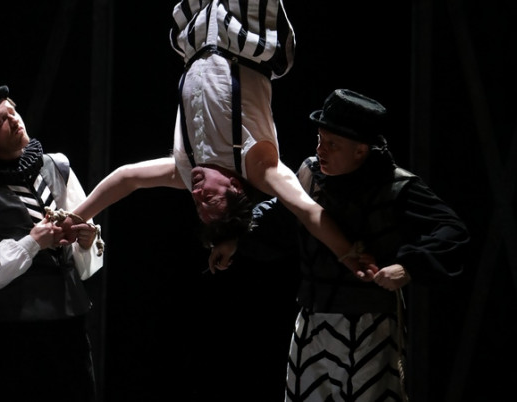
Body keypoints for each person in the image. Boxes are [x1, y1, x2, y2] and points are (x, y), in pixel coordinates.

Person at [73, 0, 366, 275]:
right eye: (209, 198)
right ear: (236, 188)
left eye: (197, 204)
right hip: (243, 30)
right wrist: (346, 252)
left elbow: (127, 178)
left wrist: (76, 217)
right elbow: (308, 211)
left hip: (200, 31)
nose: (196, 194)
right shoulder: (258, 166)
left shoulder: (185, 172)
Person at [284, 89, 470, 401]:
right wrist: (233, 235)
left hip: (370, 324)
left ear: (361, 150)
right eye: (319, 139)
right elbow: (280, 213)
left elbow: (452, 231)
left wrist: (408, 266)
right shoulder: (309, 174)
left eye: (332, 144)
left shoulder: (396, 186)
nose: (320, 149)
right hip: (311, 321)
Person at [0, 78, 104, 402]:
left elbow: (84, 252)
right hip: (14, 333)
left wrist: (86, 241)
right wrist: (31, 243)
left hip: (68, 325)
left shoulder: (56, 168)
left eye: (13, 112)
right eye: (1, 121)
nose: (14, 121)